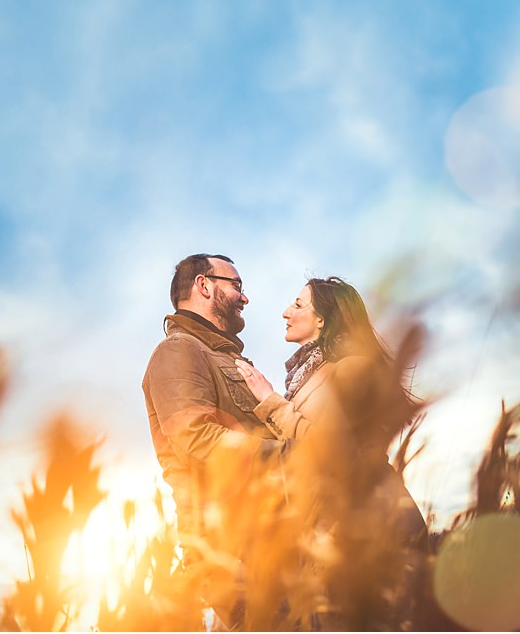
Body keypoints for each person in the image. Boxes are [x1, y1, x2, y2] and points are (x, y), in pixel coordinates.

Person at [233, 277, 428, 627]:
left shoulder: (352, 369)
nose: (285, 312)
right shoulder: (310, 378)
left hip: (369, 533)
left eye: (297, 304)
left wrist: (269, 401)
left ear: (321, 319)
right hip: (336, 538)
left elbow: (334, 452)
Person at [142, 253, 279, 626]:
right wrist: (291, 456)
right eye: (236, 286)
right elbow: (197, 438)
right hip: (232, 553)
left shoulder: (220, 357)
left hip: (263, 544)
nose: (244, 298)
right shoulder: (179, 351)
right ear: (203, 285)